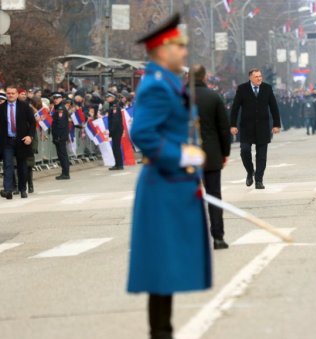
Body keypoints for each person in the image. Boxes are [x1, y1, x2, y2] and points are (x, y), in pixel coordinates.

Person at [127, 13, 212, 339]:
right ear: (162, 49)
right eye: (178, 46)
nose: (184, 52)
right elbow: (143, 133)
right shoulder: (156, 86)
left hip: (174, 184)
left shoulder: (170, 82)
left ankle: (163, 331)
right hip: (162, 185)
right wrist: (181, 155)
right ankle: (160, 332)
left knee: (167, 268)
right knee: (161, 267)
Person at [194, 65, 231, 250]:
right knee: (214, 195)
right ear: (205, 77)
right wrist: (225, 152)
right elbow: (224, 128)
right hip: (211, 154)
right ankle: (218, 237)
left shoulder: (178, 99)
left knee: (189, 198)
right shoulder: (213, 97)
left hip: (186, 156)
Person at [230, 68, 281, 190]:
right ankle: (250, 171)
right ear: (250, 78)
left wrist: (276, 124)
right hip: (246, 127)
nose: (259, 78)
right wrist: (232, 125)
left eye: (260, 76)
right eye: (256, 76)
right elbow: (235, 108)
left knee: (261, 156)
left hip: (263, 127)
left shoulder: (267, 88)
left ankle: (259, 180)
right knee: (245, 151)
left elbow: (274, 107)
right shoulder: (242, 89)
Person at [0, 86, 36, 199]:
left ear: (16, 94)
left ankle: (22, 189)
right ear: (6, 94)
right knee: (8, 165)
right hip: (7, 141)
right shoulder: (1, 108)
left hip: (21, 141)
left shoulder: (24, 107)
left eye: (13, 93)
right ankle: (8, 190)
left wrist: (30, 136)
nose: (10, 95)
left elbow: (32, 123)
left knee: (22, 166)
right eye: (8, 93)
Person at [50, 92, 70, 180]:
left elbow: (61, 124)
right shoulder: (57, 108)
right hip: (59, 136)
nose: (55, 100)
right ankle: (64, 172)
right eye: (54, 99)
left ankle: (65, 173)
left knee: (62, 155)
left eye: (57, 98)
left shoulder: (60, 109)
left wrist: (58, 136)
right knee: (61, 155)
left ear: (61, 99)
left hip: (60, 136)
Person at [105, 92, 124, 170]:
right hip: (116, 129)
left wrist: (112, 130)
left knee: (116, 147)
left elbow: (115, 120)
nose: (107, 99)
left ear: (112, 98)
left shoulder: (114, 106)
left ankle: (119, 165)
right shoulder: (112, 106)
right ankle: (118, 164)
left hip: (116, 130)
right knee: (115, 147)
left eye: (108, 97)